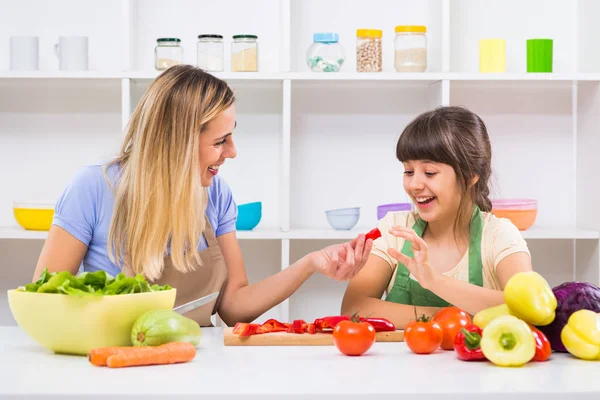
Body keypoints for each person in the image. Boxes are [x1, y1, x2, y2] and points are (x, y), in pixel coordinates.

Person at [33, 65, 372, 327]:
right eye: (220, 141)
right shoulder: (93, 188)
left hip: (196, 363)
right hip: (114, 364)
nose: (233, 152)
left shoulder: (217, 195)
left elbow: (233, 306)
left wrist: (309, 264)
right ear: (176, 142)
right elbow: (43, 302)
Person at [341, 106, 533, 328]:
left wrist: (434, 281)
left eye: (430, 173)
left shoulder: (499, 236)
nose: (414, 185)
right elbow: (354, 308)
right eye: (408, 171)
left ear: (470, 175)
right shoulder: (394, 229)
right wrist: (453, 318)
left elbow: (525, 308)